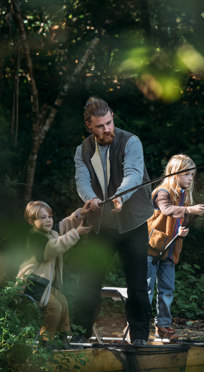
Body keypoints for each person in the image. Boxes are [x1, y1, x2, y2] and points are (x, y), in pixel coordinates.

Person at [72, 97, 153, 345]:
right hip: (101, 228)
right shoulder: (81, 151)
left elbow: (134, 174)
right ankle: (78, 333)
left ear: (113, 117)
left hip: (133, 225)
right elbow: (82, 181)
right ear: (89, 126)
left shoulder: (131, 142)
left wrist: (120, 197)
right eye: (100, 126)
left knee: (138, 285)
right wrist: (91, 198)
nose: (107, 129)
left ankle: (139, 337)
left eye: (109, 123)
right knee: (88, 282)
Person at [17, 200, 93, 349]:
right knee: (54, 308)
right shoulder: (35, 237)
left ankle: (62, 340)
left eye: (50, 217)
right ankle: (46, 342)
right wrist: (76, 233)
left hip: (45, 284)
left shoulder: (51, 233)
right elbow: (53, 248)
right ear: (31, 222)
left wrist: (80, 214)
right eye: (43, 218)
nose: (48, 221)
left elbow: (65, 225)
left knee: (63, 303)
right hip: (32, 283)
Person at [146, 154, 204, 340]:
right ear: (175, 173)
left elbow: (183, 219)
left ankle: (163, 326)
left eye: (192, 175)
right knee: (146, 290)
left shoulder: (185, 195)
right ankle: (136, 325)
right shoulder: (162, 192)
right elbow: (167, 210)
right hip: (150, 249)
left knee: (167, 291)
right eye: (187, 174)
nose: (190, 178)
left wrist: (184, 229)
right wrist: (189, 209)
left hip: (171, 251)